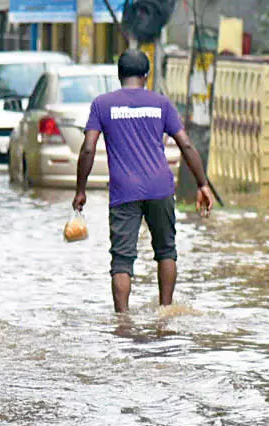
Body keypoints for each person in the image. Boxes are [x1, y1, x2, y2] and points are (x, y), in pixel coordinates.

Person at [71, 49, 217, 313]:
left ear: (119, 75)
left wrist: (81, 189)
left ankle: (123, 320)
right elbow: (185, 143)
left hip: (124, 191)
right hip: (161, 187)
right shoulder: (160, 103)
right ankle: (166, 312)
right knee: (166, 250)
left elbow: (88, 149)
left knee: (122, 260)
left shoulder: (102, 104)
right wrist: (202, 184)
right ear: (147, 76)